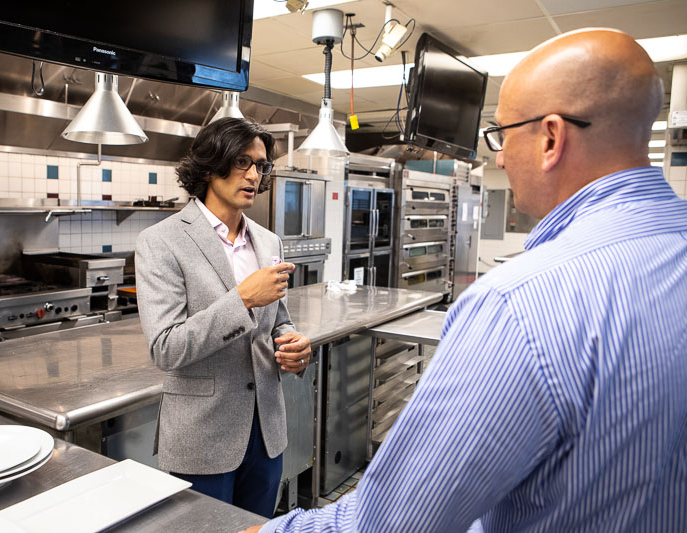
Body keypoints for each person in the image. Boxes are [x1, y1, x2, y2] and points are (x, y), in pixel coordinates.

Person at [247, 28, 687, 533]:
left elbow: (393, 524)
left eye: (502, 134)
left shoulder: (520, 304)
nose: (498, 157)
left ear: (550, 138)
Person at [135, 117, 312, 518]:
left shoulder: (268, 240)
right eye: (242, 162)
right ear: (211, 165)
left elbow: (278, 319)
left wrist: (294, 344)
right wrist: (242, 300)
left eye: (261, 165)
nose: (254, 174)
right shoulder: (161, 241)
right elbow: (166, 348)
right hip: (202, 437)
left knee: (259, 527)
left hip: (266, 431)